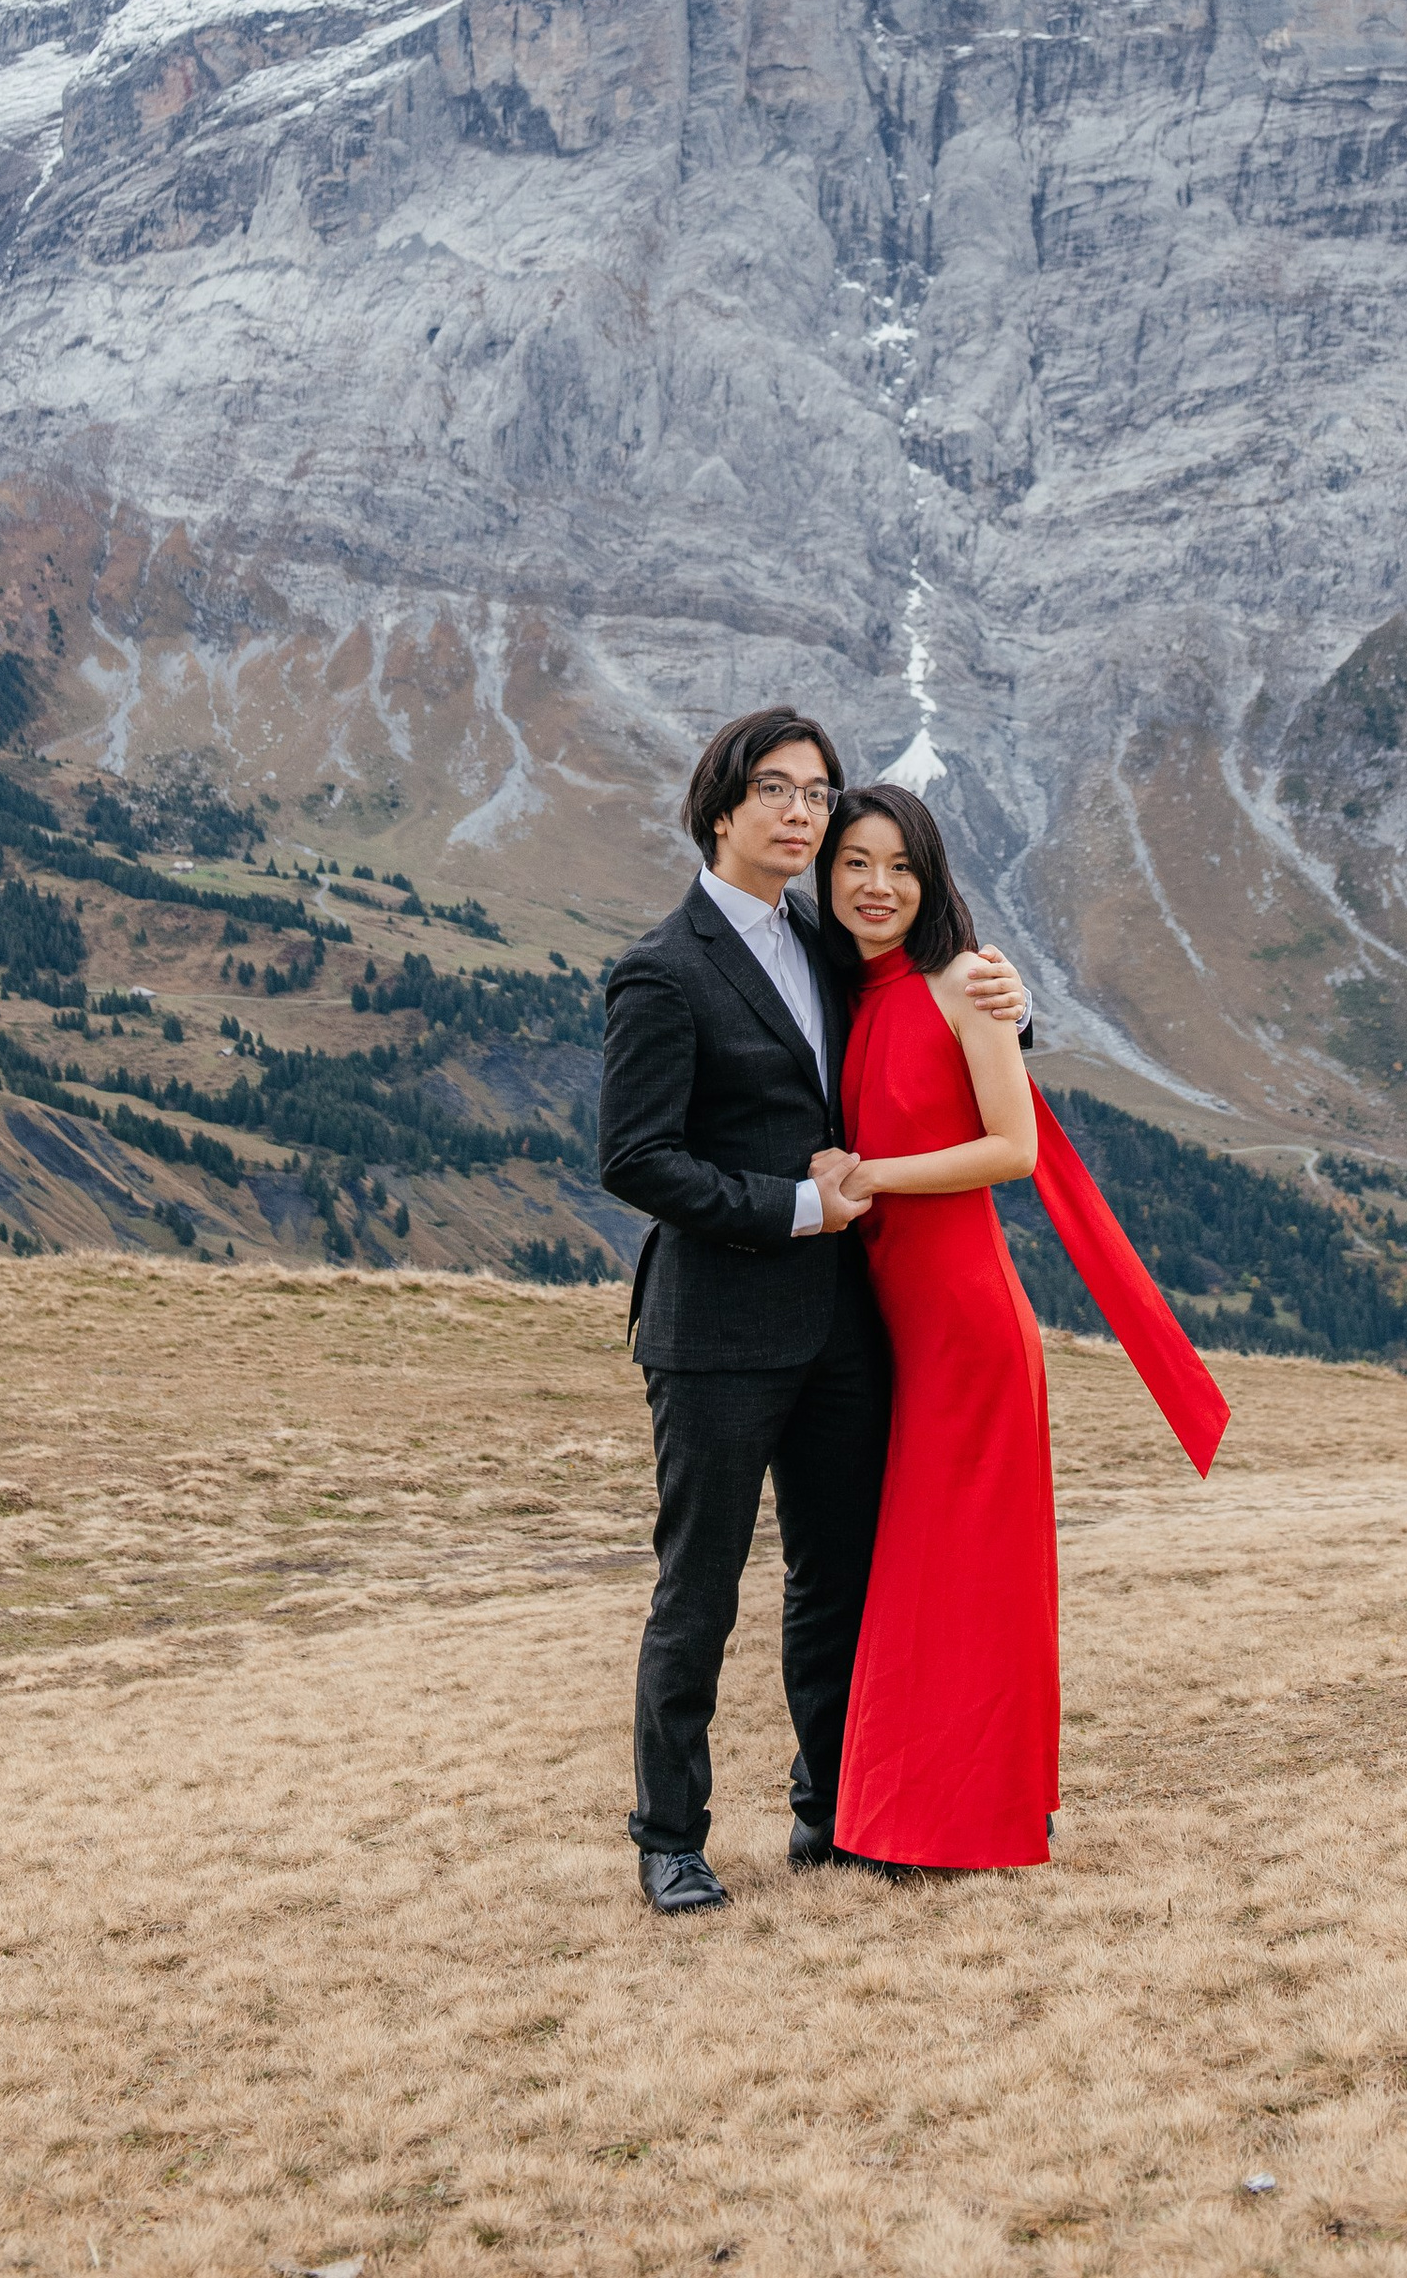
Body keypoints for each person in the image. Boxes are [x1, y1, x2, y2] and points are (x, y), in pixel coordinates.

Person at [596, 706, 1031, 1916]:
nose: (801, 810)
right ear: (718, 807)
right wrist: (791, 1205)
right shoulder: (661, 967)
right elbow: (633, 1158)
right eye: (775, 789)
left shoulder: (827, 941)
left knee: (836, 1580)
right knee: (701, 1587)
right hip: (718, 1330)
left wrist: (1008, 1001)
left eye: (817, 792)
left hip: (843, 1331)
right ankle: (669, 1835)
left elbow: (920, 1024)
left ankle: (830, 1810)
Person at [820, 783, 1231, 1875]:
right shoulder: (843, 990)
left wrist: (868, 1176)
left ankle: (959, 1820)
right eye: (855, 863)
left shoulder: (963, 980)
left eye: (900, 865)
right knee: (917, 1570)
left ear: (932, 877)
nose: (877, 886)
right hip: (892, 1314)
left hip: (963, 1317)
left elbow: (1012, 1146)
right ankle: (929, 1808)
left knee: (964, 1570)